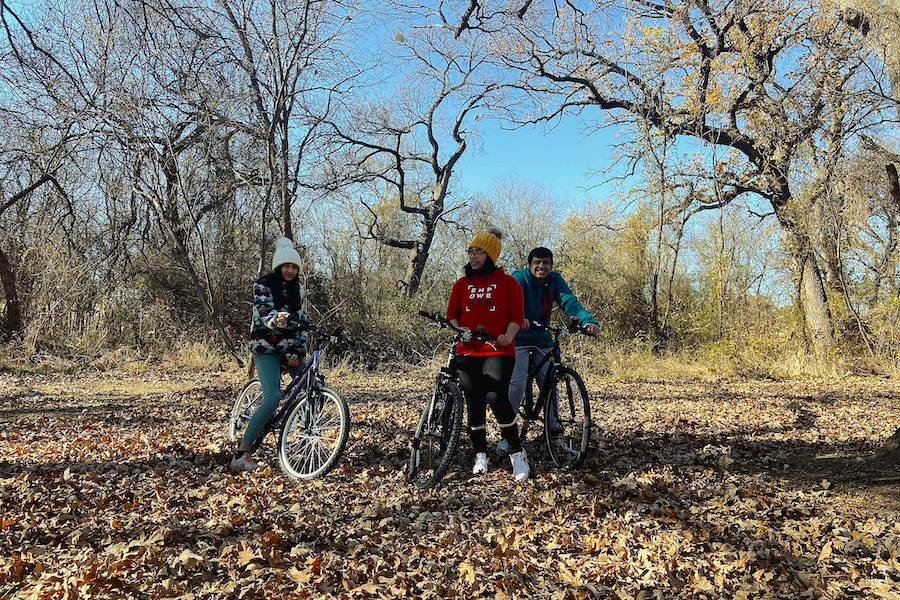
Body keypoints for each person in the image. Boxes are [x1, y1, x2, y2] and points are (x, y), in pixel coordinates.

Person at [445, 227, 530, 482]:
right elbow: (452, 316)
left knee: (495, 396)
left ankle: (517, 452)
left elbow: (516, 317)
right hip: (467, 351)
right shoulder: (462, 284)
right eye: (470, 251)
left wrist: (509, 334)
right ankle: (480, 454)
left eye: (479, 252)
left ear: (491, 255)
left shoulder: (508, 283)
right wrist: (460, 330)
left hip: (498, 350)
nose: (473, 256)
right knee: (474, 401)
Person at [499, 246, 600, 451]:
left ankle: (553, 430)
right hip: (519, 337)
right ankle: (507, 435)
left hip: (543, 337)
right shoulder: (519, 278)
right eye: (537, 262)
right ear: (529, 265)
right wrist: (517, 318)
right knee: (516, 384)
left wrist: (586, 320)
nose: (542, 266)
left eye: (546, 263)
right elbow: (506, 301)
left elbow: (569, 301)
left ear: (551, 265)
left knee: (549, 381)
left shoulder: (554, 280)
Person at [230, 237, 310, 472]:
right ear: (278, 266)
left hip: (288, 350)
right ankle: (241, 454)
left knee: (311, 386)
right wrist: (277, 319)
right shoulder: (263, 285)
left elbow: (303, 324)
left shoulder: (299, 291)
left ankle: (302, 440)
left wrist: (297, 350)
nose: (290, 270)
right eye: (286, 266)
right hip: (265, 348)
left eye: (294, 267)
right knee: (273, 395)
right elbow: (266, 314)